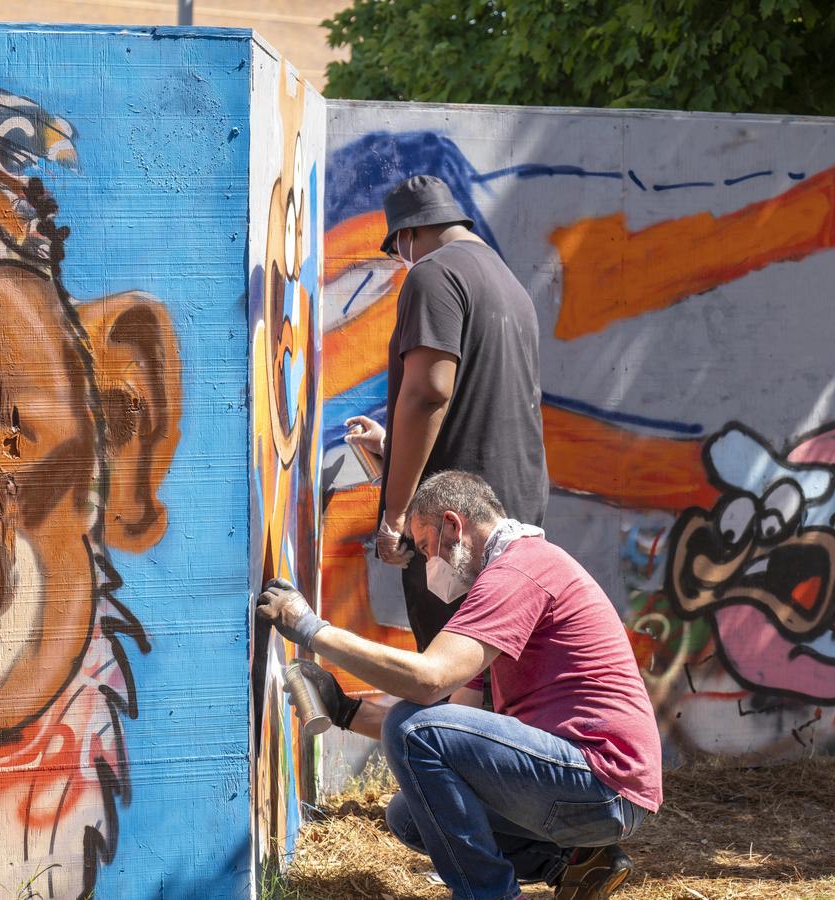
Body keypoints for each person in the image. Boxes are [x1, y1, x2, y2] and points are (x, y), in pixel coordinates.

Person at [257, 470, 661, 900]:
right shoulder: (511, 576)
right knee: (410, 814)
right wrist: (345, 711)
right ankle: (579, 863)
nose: (428, 564)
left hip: (601, 781)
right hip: (595, 786)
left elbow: (428, 684)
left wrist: (311, 629)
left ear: (453, 525)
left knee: (415, 729)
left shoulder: (517, 571)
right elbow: (451, 723)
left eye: (427, 547)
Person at [345, 174, 547, 651]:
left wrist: (395, 517)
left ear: (409, 235)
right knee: (494, 683)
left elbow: (428, 394)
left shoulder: (433, 273)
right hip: (512, 518)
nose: (401, 263)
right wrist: (393, 447)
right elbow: (480, 410)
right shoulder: (509, 283)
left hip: (456, 529)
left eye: (397, 252)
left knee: (450, 689)